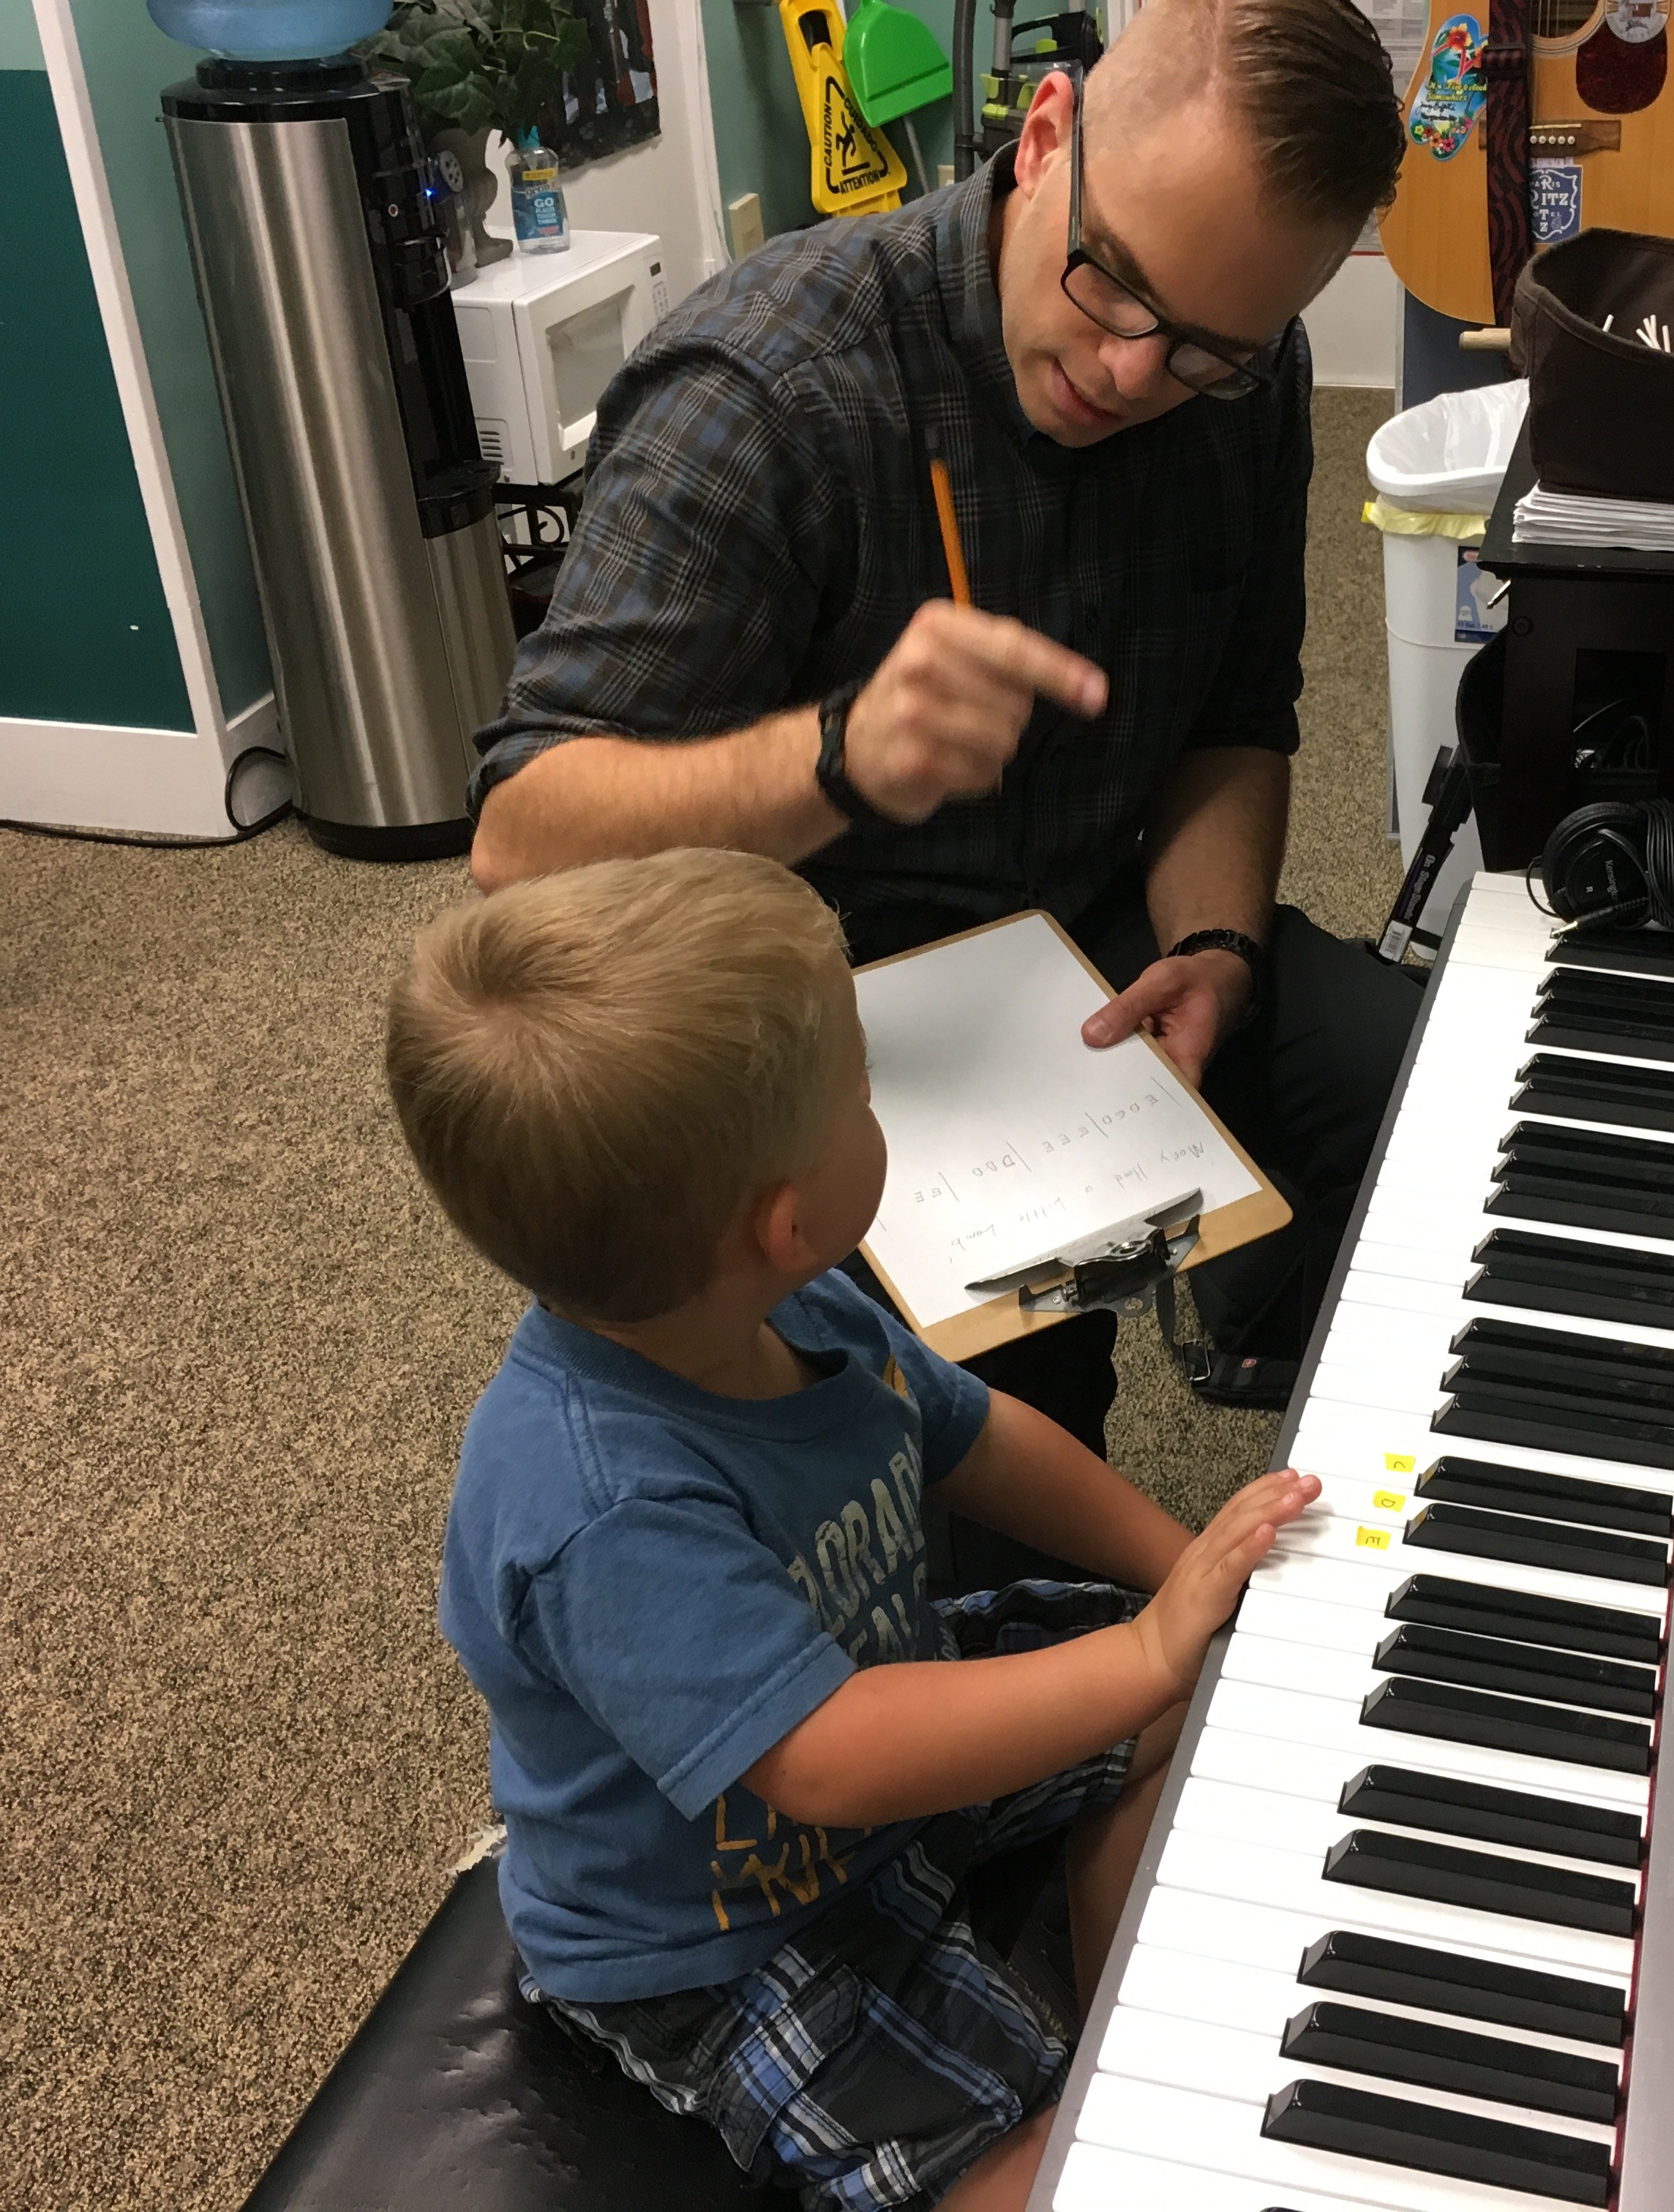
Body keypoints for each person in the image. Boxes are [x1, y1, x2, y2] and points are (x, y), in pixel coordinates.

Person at [463, 0, 1420, 1465]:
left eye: (1205, 352)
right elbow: (520, 840)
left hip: (1084, 944)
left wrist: (1218, 950)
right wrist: (831, 758)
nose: (1133, 374)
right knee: (1005, 1436)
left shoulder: (1247, 375)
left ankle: (1270, 1342)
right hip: (806, 1018)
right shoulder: (765, 391)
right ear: (1044, 138)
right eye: (1113, 286)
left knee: (1428, 1100)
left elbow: (1238, 719)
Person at [386, 847, 1320, 2208]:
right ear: (787, 1218)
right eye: (863, 1089)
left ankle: (1109, 2012)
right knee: (1045, 2180)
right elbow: (829, 1758)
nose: (881, 1103)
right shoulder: (600, 1506)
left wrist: (1177, 1580)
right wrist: (1139, 1653)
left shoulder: (793, 1302)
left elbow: (978, 1437)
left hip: (890, 1716)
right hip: (726, 1935)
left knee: (1208, 1687)